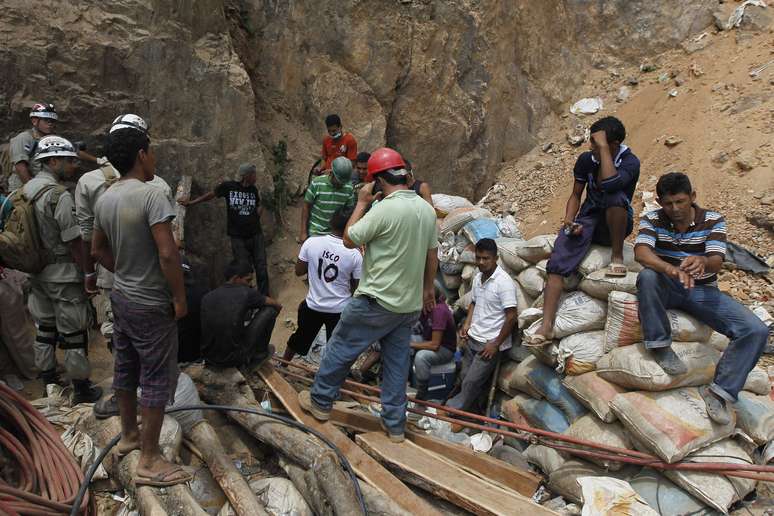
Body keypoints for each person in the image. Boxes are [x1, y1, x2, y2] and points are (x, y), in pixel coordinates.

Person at [298, 147, 438, 443]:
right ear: (404, 174)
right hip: (407, 306)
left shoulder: (383, 208)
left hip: (376, 301)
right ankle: (394, 425)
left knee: (340, 349)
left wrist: (361, 203)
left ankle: (321, 403)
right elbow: (432, 254)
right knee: (397, 364)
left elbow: (349, 239)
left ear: (376, 181)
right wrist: (428, 290)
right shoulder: (426, 209)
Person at [91, 126, 190, 487]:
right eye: (151, 151)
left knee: (126, 367)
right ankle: (149, 459)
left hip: (122, 297)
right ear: (140, 155)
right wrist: (179, 298)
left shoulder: (105, 197)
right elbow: (168, 253)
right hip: (151, 304)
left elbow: (97, 250)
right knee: (155, 378)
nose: (154, 157)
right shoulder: (152, 196)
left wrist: (128, 270)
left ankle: (129, 436)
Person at [634, 172, 768, 424]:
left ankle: (720, 392)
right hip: (666, 284)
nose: (674, 209)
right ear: (661, 202)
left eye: (681, 202)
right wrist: (670, 269)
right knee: (648, 277)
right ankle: (660, 345)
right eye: (668, 203)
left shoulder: (713, 220)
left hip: (702, 291)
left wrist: (703, 261)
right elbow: (641, 252)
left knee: (755, 330)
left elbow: (716, 261)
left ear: (693, 197)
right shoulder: (652, 219)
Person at [526, 116, 639, 347]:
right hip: (589, 219)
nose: (591, 148)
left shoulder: (630, 162)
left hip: (615, 224)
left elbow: (610, 184)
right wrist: (569, 221)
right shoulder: (587, 161)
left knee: (615, 198)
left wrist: (605, 150)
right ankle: (546, 325)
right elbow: (576, 194)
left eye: (596, 144)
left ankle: (617, 257)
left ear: (613, 145)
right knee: (559, 257)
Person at [23, 136, 102, 402]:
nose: (74, 166)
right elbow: (75, 241)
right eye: (69, 161)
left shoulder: (25, 190)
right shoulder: (58, 196)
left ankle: (49, 381)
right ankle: (81, 388)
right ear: (52, 161)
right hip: (63, 275)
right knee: (74, 333)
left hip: (36, 272)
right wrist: (88, 274)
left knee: (44, 328)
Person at [446, 238, 517, 413]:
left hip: (489, 344)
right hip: (473, 338)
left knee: (472, 381)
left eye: (486, 258)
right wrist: (467, 324)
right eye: (478, 258)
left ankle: (452, 412)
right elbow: (474, 302)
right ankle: (472, 412)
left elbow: (511, 317)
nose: (481, 262)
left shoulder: (504, 282)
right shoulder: (478, 277)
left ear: (496, 258)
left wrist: (496, 344)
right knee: (463, 376)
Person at [283, 207, 362, 362]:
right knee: (336, 348)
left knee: (300, 337)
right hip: (339, 310)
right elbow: (357, 288)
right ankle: (330, 378)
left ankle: (284, 364)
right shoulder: (354, 254)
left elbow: (299, 271)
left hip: (313, 304)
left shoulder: (312, 243)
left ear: (331, 222)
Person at [179, 163, 269, 296]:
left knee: (261, 267)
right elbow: (212, 194)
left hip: (256, 234)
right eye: (253, 174)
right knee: (243, 269)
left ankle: (264, 297)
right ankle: (245, 298)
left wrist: (255, 217)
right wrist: (192, 202)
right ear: (246, 176)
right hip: (237, 236)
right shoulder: (229, 187)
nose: (256, 177)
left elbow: (259, 204)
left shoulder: (253, 190)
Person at [200, 261, 282, 367]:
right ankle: (259, 355)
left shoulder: (207, 297)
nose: (250, 284)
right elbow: (277, 305)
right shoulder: (246, 293)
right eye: (247, 280)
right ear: (235, 278)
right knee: (270, 310)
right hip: (234, 359)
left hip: (209, 358)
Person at [412, 287, 457, 401]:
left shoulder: (439, 311)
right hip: (427, 339)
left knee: (421, 357)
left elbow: (435, 345)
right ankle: (405, 380)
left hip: (444, 349)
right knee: (400, 341)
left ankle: (422, 393)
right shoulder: (427, 307)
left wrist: (410, 344)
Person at [300, 156, 355, 242]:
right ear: (332, 173)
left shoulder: (349, 188)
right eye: (339, 181)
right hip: (316, 231)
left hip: (335, 235)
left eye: (343, 183)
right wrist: (303, 232)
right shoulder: (317, 183)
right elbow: (306, 206)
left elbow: (349, 212)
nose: (341, 185)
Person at [8, 103, 58, 190]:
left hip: (44, 183)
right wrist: (33, 189)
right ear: (35, 121)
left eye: (52, 121)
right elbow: (20, 167)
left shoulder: (52, 139)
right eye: (46, 120)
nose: (50, 124)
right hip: (21, 188)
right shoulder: (24, 138)